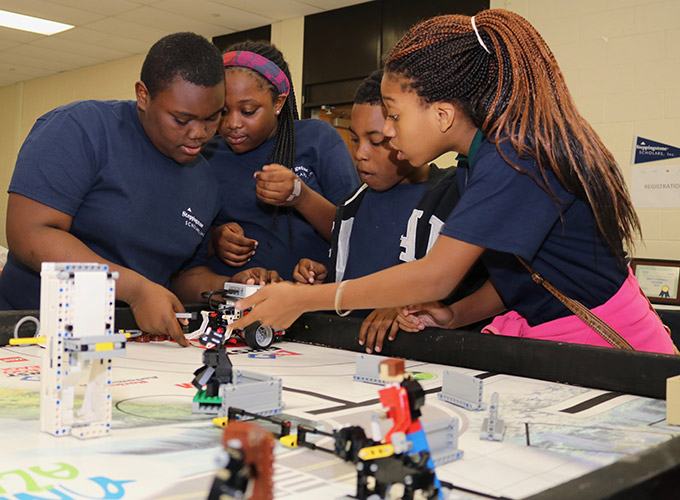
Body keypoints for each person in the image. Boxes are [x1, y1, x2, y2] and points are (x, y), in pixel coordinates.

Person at [228, 10, 676, 355]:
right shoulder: (476, 162)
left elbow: (436, 276)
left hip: (612, 345)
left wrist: (302, 300)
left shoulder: (515, 157)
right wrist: (455, 314)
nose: (389, 132)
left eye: (395, 115)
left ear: (442, 114)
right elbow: (520, 273)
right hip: (556, 337)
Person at [0, 32, 277, 346]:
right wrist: (133, 289)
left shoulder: (205, 182)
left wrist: (231, 287)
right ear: (143, 95)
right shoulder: (81, 129)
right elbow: (29, 233)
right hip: (29, 332)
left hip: (130, 345)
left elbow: (181, 275)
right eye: (182, 119)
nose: (199, 133)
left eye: (212, 118)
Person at [293, 70, 486, 354]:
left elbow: (470, 286)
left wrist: (407, 305)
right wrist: (322, 280)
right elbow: (347, 285)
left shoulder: (457, 196)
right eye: (355, 139)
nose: (360, 153)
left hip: (431, 359)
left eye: (377, 141)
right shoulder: (350, 207)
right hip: (350, 359)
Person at [202, 40, 359, 281]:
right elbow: (183, 239)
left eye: (248, 111)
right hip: (232, 298)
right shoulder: (207, 155)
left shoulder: (317, 139)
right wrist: (214, 241)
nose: (233, 123)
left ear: (278, 103)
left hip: (307, 297)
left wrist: (302, 197)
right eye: (222, 111)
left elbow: (356, 231)